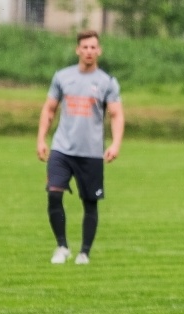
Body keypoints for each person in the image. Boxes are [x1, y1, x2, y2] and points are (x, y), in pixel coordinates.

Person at [37, 29, 124, 265]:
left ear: (99, 51)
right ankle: (62, 246)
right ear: (78, 50)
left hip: (91, 153)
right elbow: (49, 109)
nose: (88, 51)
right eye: (84, 47)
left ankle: (84, 252)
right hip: (62, 149)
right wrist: (41, 139)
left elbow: (116, 115)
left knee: (90, 203)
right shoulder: (62, 77)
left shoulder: (107, 82)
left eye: (93, 47)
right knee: (54, 195)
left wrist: (115, 144)